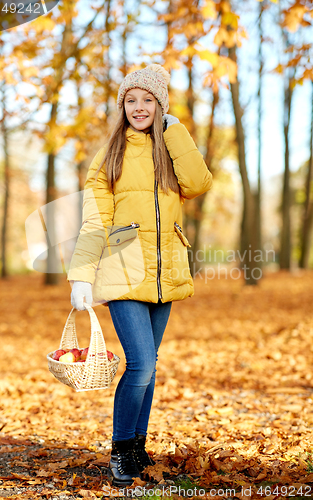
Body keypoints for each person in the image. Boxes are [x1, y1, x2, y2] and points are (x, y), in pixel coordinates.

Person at [67, 64, 212, 487]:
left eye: (148, 100)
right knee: (141, 365)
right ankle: (119, 450)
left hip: (164, 273)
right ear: (122, 106)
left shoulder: (169, 149)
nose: (139, 107)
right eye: (131, 100)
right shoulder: (109, 156)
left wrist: (175, 130)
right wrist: (81, 276)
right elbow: (94, 222)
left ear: (161, 106)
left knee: (150, 368)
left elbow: (200, 183)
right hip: (122, 271)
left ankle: (137, 447)